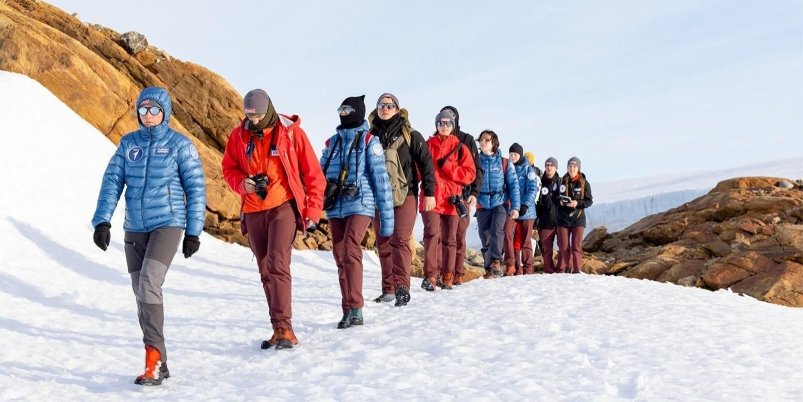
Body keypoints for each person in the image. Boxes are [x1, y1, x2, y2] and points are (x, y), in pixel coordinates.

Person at [91, 87, 206, 386]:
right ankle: (160, 360)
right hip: (135, 227)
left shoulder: (181, 145)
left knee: (149, 283)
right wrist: (102, 220)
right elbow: (112, 181)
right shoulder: (129, 144)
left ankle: (153, 361)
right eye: (143, 110)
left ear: (165, 111)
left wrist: (193, 231)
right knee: (140, 293)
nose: (149, 115)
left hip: (168, 223)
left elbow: (195, 189)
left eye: (154, 110)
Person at [221, 89, 325, 349]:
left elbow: (313, 174)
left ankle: (285, 328)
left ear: (267, 110)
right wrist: (243, 184)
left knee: (278, 264)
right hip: (254, 210)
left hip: (283, 207)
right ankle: (276, 327)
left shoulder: (291, 133)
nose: (253, 121)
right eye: (248, 116)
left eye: (257, 116)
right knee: (265, 268)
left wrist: (312, 210)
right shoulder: (238, 135)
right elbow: (228, 168)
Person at [320, 95, 394, 328]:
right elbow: (318, 175)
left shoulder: (369, 142)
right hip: (335, 207)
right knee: (340, 254)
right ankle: (348, 309)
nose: (343, 113)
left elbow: (381, 181)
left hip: (361, 203)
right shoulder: (332, 143)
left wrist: (387, 220)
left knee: (351, 249)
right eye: (341, 109)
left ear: (358, 112)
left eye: (348, 109)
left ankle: (356, 308)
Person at [369, 93, 436, 307]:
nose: (385, 108)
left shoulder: (410, 135)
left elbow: (426, 164)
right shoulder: (370, 135)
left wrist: (429, 193)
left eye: (389, 105)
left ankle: (402, 287)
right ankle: (387, 289)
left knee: (400, 238)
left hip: (406, 193)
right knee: (383, 241)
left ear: (397, 109)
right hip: (379, 195)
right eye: (381, 105)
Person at [420, 110, 476, 291]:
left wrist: (449, 167)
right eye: (440, 123)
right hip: (431, 199)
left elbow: (470, 175)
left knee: (450, 239)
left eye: (447, 123)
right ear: (436, 125)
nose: (443, 126)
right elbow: (418, 170)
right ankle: (430, 276)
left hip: (452, 200)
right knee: (431, 235)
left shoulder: (461, 148)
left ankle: (447, 276)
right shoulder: (427, 145)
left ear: (453, 126)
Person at [440, 106, 482, 286]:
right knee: (441, 235)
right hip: (441, 197)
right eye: (442, 118)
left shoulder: (466, 140)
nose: (446, 121)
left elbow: (476, 169)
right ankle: (442, 273)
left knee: (458, 235)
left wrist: (474, 192)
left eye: (450, 118)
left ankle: (457, 273)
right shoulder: (435, 140)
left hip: (462, 196)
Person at [476, 130, 520, 278]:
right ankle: (489, 268)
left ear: (494, 143)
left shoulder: (504, 162)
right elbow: (469, 182)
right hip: (481, 204)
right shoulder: (475, 161)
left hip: (500, 202)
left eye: (486, 140)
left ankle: (496, 261)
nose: (483, 142)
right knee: (485, 236)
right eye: (481, 140)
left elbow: (513, 184)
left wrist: (515, 207)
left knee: (496, 231)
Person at [557, 157, 593, 273]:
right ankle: (568, 267)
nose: (572, 169)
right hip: (563, 218)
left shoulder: (584, 183)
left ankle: (577, 269)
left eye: (574, 166)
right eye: (570, 166)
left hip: (578, 218)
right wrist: (561, 201)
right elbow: (555, 197)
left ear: (578, 168)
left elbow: (589, 201)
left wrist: (577, 203)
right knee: (563, 245)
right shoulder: (561, 181)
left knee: (576, 245)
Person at [508, 143, 539, 275]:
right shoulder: (508, 169)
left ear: (520, 155)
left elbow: (532, 189)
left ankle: (528, 269)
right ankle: (516, 268)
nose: (513, 157)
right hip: (513, 210)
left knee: (526, 241)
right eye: (511, 155)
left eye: (515, 154)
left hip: (527, 212)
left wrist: (525, 204)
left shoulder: (528, 170)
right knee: (512, 239)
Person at [536, 157, 562, 273]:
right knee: (547, 250)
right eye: (547, 165)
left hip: (560, 221)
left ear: (556, 167)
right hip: (545, 222)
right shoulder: (539, 182)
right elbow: (536, 202)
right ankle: (549, 271)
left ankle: (561, 270)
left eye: (551, 165)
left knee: (564, 248)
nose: (549, 167)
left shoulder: (562, 182)